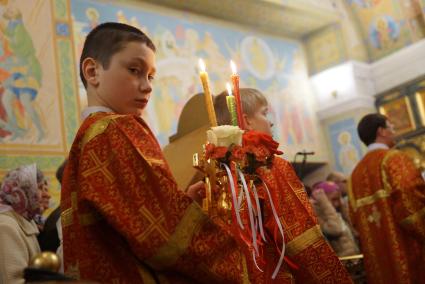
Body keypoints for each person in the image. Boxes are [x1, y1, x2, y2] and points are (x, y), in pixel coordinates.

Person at [61, 22, 253, 283]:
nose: (147, 86)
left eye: (151, 76)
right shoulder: (120, 129)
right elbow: (164, 239)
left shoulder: (87, 137)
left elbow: (133, 222)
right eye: (134, 70)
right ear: (93, 71)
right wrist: (240, 257)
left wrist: (179, 205)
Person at [214, 89, 352, 283]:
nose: (270, 121)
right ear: (246, 121)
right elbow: (298, 234)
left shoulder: (219, 168)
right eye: (264, 113)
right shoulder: (267, 164)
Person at [350, 113, 425, 284]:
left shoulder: (355, 175)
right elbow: (411, 206)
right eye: (391, 127)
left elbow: (355, 220)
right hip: (409, 254)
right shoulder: (395, 159)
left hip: (378, 264)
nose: (394, 131)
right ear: (382, 131)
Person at [0, 164, 43, 284]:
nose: (45, 194)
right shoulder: (6, 227)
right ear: (23, 191)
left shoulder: (23, 221)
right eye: (39, 187)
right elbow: (14, 280)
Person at [310, 181, 359, 257]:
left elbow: (354, 232)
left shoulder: (337, 211)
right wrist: (325, 203)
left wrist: (343, 210)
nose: (338, 203)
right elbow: (336, 229)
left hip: (355, 257)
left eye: (339, 198)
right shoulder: (318, 215)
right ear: (323, 199)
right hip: (344, 261)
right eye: (334, 199)